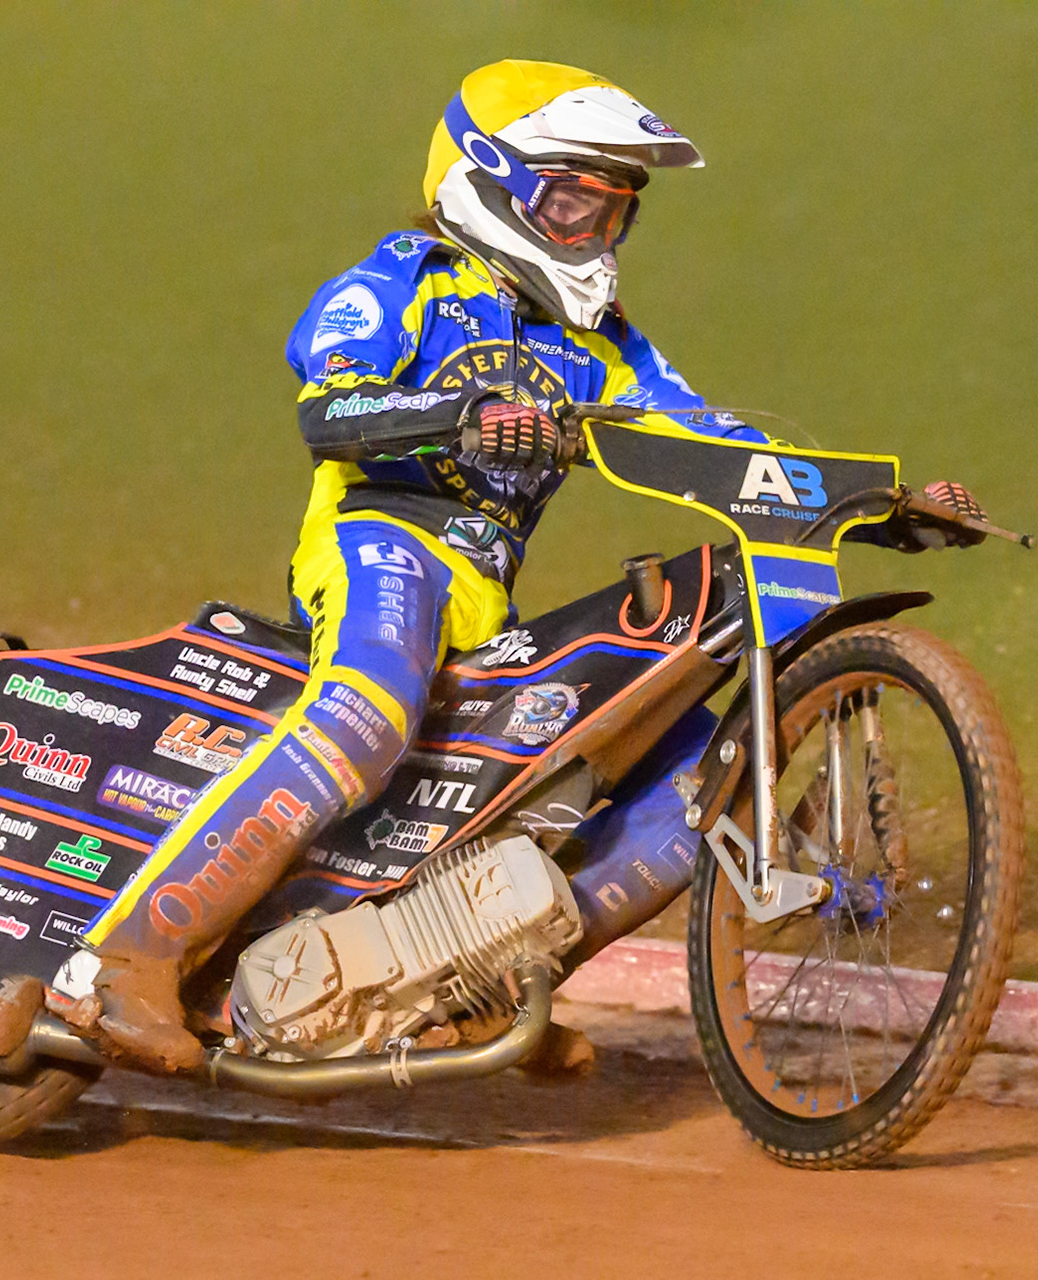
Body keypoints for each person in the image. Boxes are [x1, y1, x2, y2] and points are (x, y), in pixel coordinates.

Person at [51, 59, 971, 1072]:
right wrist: (464, 415)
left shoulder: (603, 347)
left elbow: (720, 445)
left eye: (611, 211)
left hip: (488, 604)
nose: (590, 232)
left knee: (689, 798)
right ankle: (119, 960)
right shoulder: (410, 276)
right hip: (381, 540)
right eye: (569, 200)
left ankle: (475, 985)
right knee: (366, 712)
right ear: (486, 180)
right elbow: (329, 406)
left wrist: (881, 505)